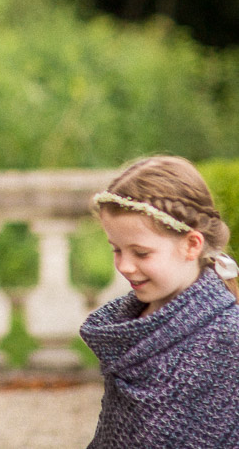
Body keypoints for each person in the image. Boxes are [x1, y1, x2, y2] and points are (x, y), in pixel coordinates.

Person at [80, 155, 239, 448]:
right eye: (116, 250)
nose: (125, 266)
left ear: (191, 244)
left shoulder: (228, 339)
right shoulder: (128, 329)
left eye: (141, 253)